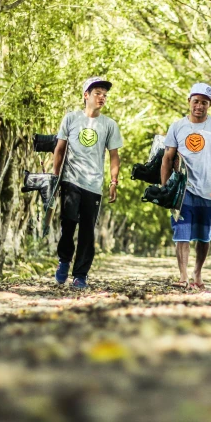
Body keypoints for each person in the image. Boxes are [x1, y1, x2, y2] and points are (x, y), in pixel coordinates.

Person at [161, 83, 211, 289]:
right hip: (182, 190)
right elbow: (167, 158)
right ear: (189, 102)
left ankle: (197, 273)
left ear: (209, 105)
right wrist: (164, 187)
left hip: (208, 189)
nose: (199, 106)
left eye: (204, 102)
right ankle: (184, 276)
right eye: (196, 101)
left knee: (204, 236)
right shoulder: (177, 126)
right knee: (182, 233)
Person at [52, 77, 122, 289]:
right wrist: (55, 178)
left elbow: (114, 155)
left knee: (87, 231)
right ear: (86, 95)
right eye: (97, 93)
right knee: (68, 222)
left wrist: (114, 181)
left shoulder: (109, 125)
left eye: (104, 95)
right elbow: (60, 149)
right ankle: (64, 260)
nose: (102, 97)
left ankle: (80, 275)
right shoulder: (71, 118)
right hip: (71, 180)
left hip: (94, 184)